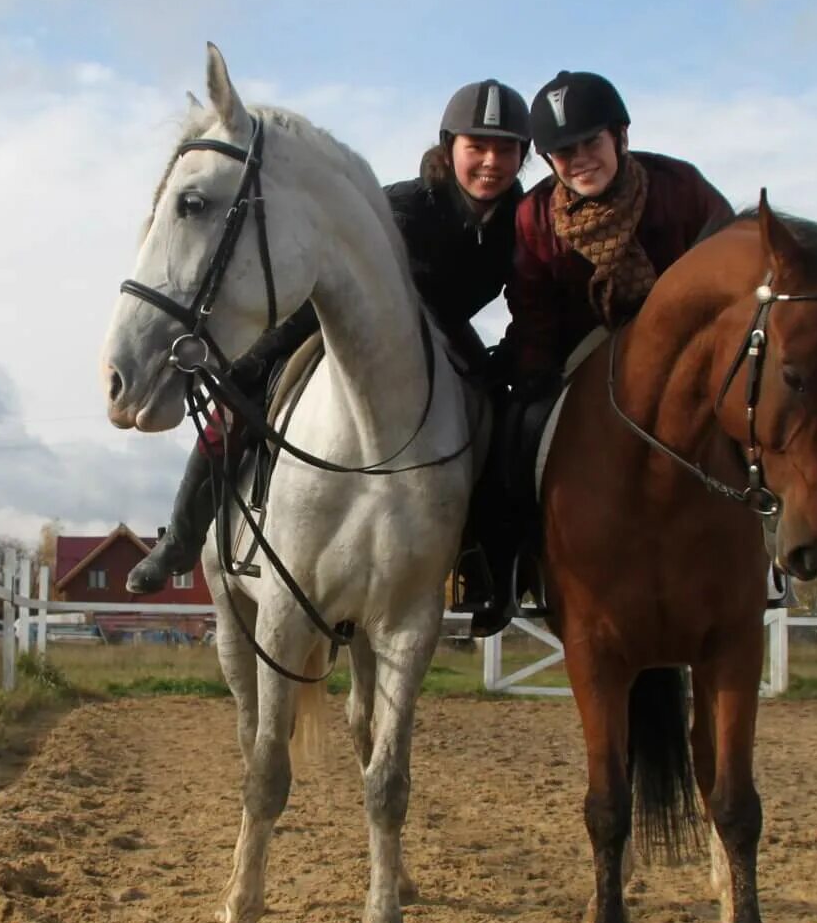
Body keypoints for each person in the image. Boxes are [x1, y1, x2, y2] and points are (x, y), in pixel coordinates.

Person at [126, 80, 534, 615]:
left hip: (447, 334)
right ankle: (181, 537)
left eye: (505, 149)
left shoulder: (520, 224)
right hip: (340, 325)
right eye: (476, 147)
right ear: (448, 146)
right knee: (241, 388)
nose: (490, 162)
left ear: (523, 156)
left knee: (502, 419)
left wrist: (508, 355)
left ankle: (483, 561)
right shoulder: (404, 206)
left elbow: (527, 296)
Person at [479, 69, 735, 626]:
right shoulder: (534, 215)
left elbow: (726, 265)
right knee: (515, 433)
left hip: (687, 349)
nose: (578, 161)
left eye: (589, 144)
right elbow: (533, 305)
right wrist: (536, 369)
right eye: (562, 153)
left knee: (755, 412)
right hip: (582, 347)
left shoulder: (681, 187)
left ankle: (767, 557)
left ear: (620, 136)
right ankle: (511, 568)